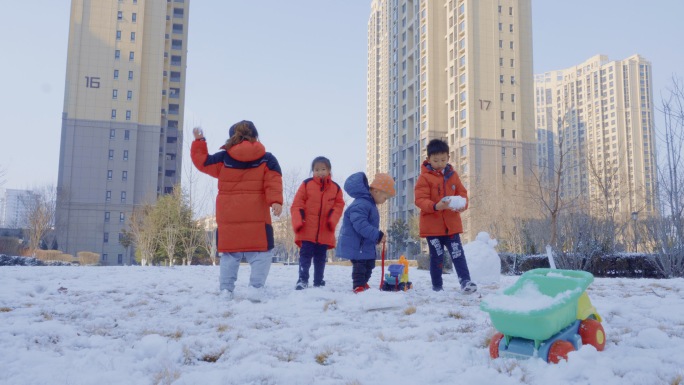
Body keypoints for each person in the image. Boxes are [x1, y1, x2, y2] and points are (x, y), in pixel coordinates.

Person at [190, 120, 283, 301]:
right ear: (256, 136)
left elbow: (202, 162)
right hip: (257, 216)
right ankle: (256, 288)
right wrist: (276, 201)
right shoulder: (267, 159)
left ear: (232, 137)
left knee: (230, 256)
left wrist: (200, 141)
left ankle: (226, 291)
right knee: (261, 253)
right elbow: (273, 180)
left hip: (229, 216)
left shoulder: (224, 158)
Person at [414, 139, 477, 294]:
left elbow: (462, 193)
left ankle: (465, 281)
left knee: (458, 253)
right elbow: (420, 199)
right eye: (436, 160)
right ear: (428, 159)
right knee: (437, 257)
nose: (440, 163)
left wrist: (462, 203)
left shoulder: (453, 175)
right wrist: (436, 206)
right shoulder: (424, 178)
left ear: (448, 158)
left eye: (443, 160)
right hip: (433, 228)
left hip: (451, 226)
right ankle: (437, 286)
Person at [290, 156, 345, 290]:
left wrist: (332, 219)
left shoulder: (336, 188)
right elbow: (297, 204)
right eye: (316, 169)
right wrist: (298, 221)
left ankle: (318, 280)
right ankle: (302, 280)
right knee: (305, 257)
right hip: (307, 229)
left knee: (321, 258)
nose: (320, 172)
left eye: (323, 169)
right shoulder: (306, 184)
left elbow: (339, 206)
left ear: (329, 170)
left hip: (325, 230)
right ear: (312, 171)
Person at [336, 172, 395, 293]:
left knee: (369, 265)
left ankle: (363, 283)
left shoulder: (369, 204)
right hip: (358, 245)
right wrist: (376, 235)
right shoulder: (362, 203)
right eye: (385, 197)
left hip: (364, 245)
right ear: (377, 191)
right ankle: (358, 285)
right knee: (360, 267)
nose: (385, 201)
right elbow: (360, 224)